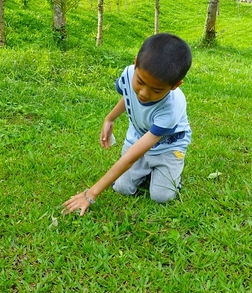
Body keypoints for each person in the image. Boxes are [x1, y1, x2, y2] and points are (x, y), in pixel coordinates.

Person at [62, 33, 192, 216]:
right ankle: (149, 171)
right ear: (136, 62)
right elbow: (129, 96)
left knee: (162, 196)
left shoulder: (170, 109)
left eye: (156, 90)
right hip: (139, 137)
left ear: (175, 85)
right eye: (140, 82)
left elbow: (130, 157)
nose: (144, 93)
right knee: (122, 188)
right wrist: (110, 118)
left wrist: (90, 194)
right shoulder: (129, 73)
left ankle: (168, 171)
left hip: (168, 148)